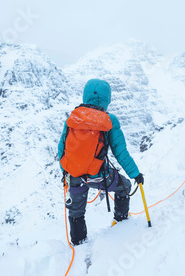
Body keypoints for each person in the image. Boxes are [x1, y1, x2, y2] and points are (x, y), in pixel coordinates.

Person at [58, 79, 144, 245]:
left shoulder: (73, 118)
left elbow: (61, 149)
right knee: (124, 186)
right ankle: (120, 223)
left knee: (76, 211)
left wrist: (67, 171)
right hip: (98, 175)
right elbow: (120, 152)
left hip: (74, 174)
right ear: (107, 99)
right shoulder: (109, 120)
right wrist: (135, 174)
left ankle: (79, 244)